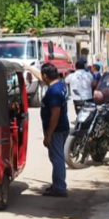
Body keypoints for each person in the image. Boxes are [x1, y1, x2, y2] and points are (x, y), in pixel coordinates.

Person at [40, 63, 69, 198]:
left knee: (57, 158)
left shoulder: (53, 92)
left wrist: (49, 135)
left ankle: (59, 187)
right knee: (58, 156)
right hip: (63, 127)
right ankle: (58, 184)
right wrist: (28, 69)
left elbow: (55, 114)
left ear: (45, 76)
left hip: (56, 129)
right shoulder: (60, 85)